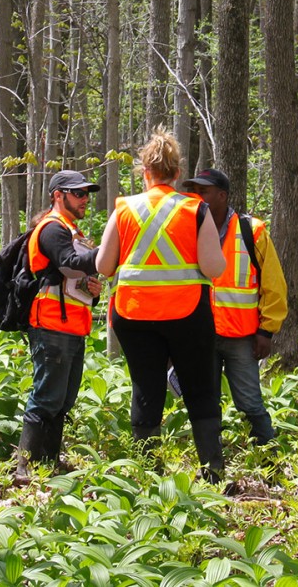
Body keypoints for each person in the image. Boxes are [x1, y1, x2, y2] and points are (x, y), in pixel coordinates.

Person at [94, 129, 231, 481]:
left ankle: (148, 474)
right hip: (187, 314)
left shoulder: (125, 208)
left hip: (134, 314)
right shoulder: (194, 208)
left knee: (146, 388)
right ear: (176, 173)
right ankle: (212, 472)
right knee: (200, 388)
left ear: (145, 172)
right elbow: (215, 267)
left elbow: (104, 267)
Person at [181, 168, 288, 445]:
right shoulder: (186, 230)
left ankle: (269, 460)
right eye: (194, 191)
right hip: (201, 336)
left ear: (222, 195)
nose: (197, 197)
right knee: (206, 403)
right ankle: (211, 463)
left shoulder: (251, 231)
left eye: (203, 191)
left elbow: (274, 284)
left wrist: (267, 331)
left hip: (243, 337)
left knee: (251, 402)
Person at [16, 170, 103, 475]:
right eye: (77, 193)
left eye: (86, 194)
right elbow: (70, 262)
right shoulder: (52, 229)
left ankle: (49, 463)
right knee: (46, 397)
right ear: (58, 195)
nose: (85, 199)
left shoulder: (71, 231)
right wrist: (107, 254)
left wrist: (93, 289)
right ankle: (24, 468)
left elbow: (74, 276)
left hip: (72, 327)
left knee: (62, 400)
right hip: (51, 325)